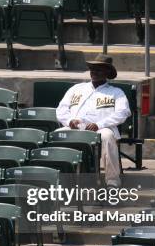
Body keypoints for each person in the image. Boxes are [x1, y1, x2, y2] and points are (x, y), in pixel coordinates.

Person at [55, 54, 131, 187]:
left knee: (107, 137)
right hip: (75, 128)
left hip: (102, 129)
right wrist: (69, 121)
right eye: (92, 69)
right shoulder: (76, 88)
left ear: (107, 72)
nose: (94, 72)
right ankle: (58, 179)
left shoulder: (116, 92)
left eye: (99, 69)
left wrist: (99, 124)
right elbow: (61, 109)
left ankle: (112, 182)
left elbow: (123, 112)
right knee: (56, 135)